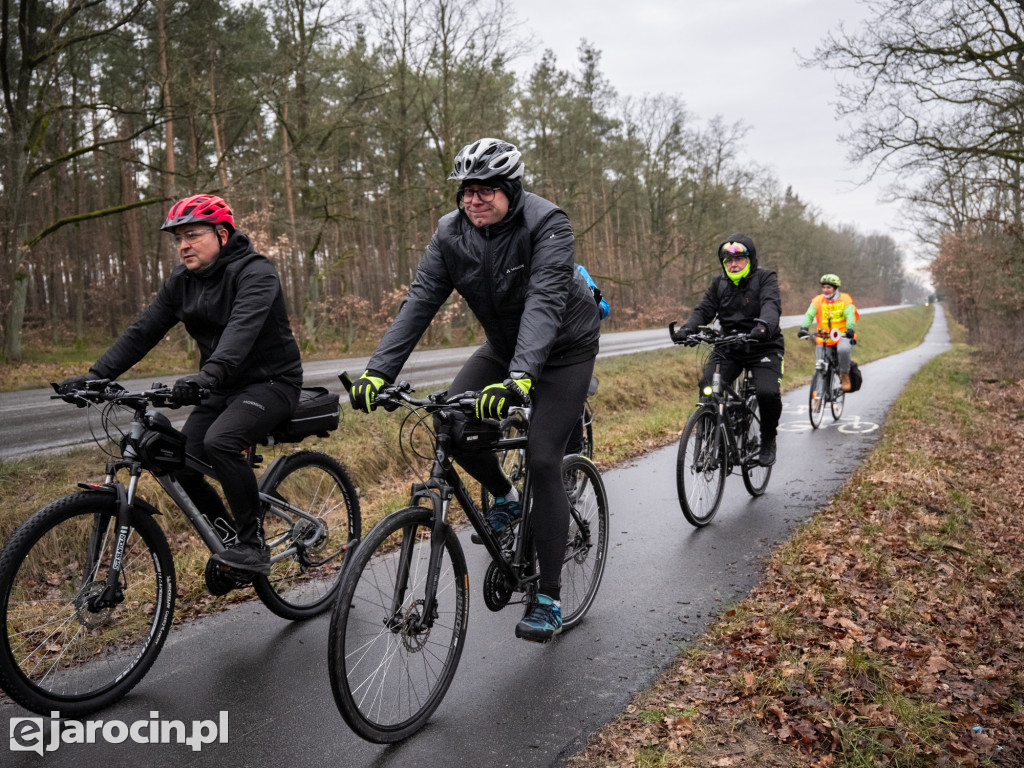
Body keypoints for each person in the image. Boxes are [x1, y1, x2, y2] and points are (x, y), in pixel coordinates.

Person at [348, 137, 601, 642]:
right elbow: (420, 301)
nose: (474, 199)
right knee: (453, 422)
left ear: (510, 189)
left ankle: (547, 597)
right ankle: (506, 497)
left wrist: (521, 379)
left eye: (486, 189)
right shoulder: (450, 234)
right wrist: (379, 371)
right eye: (467, 190)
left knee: (544, 456)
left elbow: (547, 300)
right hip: (504, 347)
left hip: (565, 349)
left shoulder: (547, 223)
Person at [58, 194, 303, 576]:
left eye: (192, 235)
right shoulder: (182, 282)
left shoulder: (256, 272)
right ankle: (230, 546)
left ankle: (253, 546)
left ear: (222, 233)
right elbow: (143, 332)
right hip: (220, 387)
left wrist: (207, 376)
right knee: (184, 463)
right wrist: (96, 378)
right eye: (177, 239)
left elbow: (240, 331)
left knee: (219, 442)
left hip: (271, 383)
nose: (183, 245)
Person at [669, 234, 784, 466]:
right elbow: (704, 310)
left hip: (763, 345)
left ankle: (768, 439)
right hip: (729, 346)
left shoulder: (765, 278)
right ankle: (713, 441)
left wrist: (764, 326)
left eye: (739, 259)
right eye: (728, 260)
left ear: (750, 259)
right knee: (708, 387)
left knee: (766, 393)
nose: (733, 264)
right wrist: (688, 329)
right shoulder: (719, 284)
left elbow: (772, 305)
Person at [797, 273, 859, 391]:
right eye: (823, 287)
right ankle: (818, 397)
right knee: (820, 365)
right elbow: (809, 314)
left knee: (843, 350)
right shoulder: (818, 300)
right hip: (823, 337)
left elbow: (850, 315)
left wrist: (850, 328)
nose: (825, 290)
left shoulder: (845, 299)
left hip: (842, 335)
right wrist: (804, 328)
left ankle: (845, 375)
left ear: (835, 289)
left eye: (828, 287)